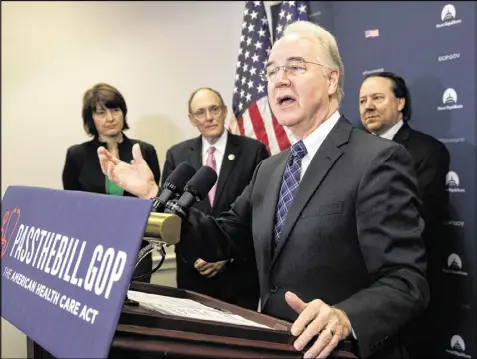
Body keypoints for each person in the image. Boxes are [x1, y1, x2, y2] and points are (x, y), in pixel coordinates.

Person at [97, 21, 429, 359]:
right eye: (271, 72)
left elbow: (406, 281)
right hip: (273, 348)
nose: (279, 79)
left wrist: (345, 318)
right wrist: (152, 192)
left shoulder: (377, 159)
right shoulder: (270, 168)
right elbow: (221, 239)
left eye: (296, 67)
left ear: (331, 79)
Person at [358, 71, 450, 358]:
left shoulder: (428, 151)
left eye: (377, 98)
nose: (368, 106)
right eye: (362, 100)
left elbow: (416, 221)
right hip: (358, 291)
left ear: (400, 103)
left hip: (405, 288)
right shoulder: (353, 152)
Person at [162, 87, 269, 310]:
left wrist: (224, 255)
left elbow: (260, 214)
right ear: (192, 119)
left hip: (238, 276)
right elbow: (169, 212)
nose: (209, 117)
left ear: (225, 111)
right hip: (193, 275)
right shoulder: (177, 155)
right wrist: (196, 256)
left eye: (214, 109)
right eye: (200, 112)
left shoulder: (254, 151)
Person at [62, 82, 161, 283]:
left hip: (137, 246)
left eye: (115, 110)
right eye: (101, 113)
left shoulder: (144, 151)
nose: (110, 118)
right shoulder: (77, 155)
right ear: (90, 118)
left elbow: (153, 199)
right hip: (93, 247)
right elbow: (73, 206)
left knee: (137, 305)